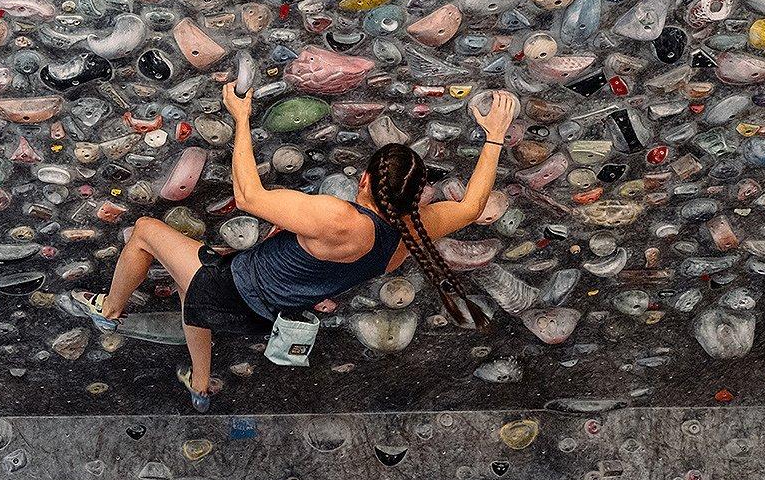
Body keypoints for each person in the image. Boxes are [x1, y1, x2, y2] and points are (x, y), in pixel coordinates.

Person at [83, 84, 519, 411]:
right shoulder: (413, 231)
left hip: (230, 288)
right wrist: (494, 137)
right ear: (416, 195)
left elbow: (250, 197)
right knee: (188, 291)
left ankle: (109, 313)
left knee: (145, 231)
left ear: (364, 181)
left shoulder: (339, 219)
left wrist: (241, 117)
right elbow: (473, 204)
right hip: (267, 315)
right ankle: (200, 386)